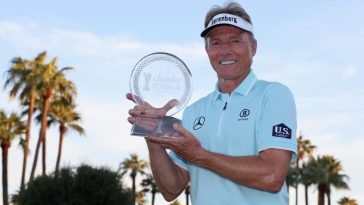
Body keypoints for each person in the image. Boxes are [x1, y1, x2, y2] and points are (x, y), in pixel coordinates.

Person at [127, 2, 297, 205]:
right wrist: (153, 135)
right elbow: (171, 189)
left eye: (235, 41)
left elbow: (271, 175)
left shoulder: (273, 94)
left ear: (253, 47)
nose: (225, 51)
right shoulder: (193, 111)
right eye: (215, 43)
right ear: (207, 50)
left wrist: (200, 155)